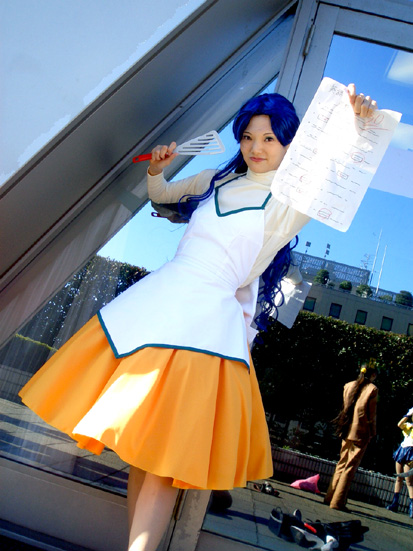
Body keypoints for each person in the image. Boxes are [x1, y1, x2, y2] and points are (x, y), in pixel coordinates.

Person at [19, 84, 376, 551]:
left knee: (164, 459)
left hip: (205, 328)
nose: (255, 148)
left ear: (290, 144)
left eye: (269, 138)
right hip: (159, 306)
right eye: (248, 137)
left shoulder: (288, 204)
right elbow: (162, 194)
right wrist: (157, 169)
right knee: (145, 454)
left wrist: (359, 126)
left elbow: (338, 176)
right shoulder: (216, 180)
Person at [324, 361, 378, 512]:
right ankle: (338, 501)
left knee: (341, 463)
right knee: (350, 467)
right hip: (361, 432)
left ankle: (329, 496)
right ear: (373, 375)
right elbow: (371, 415)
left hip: (346, 429)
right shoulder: (373, 390)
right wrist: (372, 432)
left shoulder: (348, 385)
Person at [386, 407, 413, 518]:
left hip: (411, 452)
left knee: (409, 481)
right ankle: (395, 503)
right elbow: (399, 424)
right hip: (402, 449)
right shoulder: (409, 425)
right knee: (398, 477)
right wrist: (408, 414)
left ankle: (412, 507)